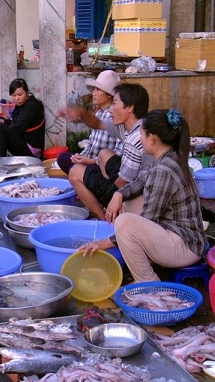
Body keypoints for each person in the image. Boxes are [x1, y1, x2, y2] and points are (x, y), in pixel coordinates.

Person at [78, 109, 207, 282]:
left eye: (141, 134)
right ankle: (145, 266)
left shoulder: (164, 170)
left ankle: (148, 284)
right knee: (127, 203)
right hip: (179, 237)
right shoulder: (167, 158)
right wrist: (118, 194)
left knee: (125, 222)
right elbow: (140, 182)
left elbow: (149, 218)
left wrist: (104, 243)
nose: (140, 139)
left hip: (186, 247)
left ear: (152, 138)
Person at [62, 83, 152, 220]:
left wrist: (98, 190)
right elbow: (97, 123)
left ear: (130, 107)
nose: (111, 110)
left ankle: (107, 219)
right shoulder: (132, 125)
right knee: (104, 153)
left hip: (137, 197)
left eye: (115, 104)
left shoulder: (136, 138)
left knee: (75, 172)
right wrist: (81, 112)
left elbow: (123, 183)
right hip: (133, 184)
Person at [57, 70, 122, 174]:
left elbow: (118, 154)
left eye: (98, 90)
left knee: (73, 167)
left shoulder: (115, 115)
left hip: (103, 167)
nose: (93, 94)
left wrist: (91, 161)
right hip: (89, 161)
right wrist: (81, 156)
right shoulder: (98, 113)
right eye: (93, 90)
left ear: (109, 95)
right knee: (63, 158)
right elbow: (91, 143)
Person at [0, 78, 45, 158]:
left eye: (20, 95)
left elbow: (17, 129)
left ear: (27, 92)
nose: (17, 98)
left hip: (31, 150)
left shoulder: (31, 107)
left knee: (0, 128)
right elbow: (16, 122)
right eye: (14, 95)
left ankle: (2, 159)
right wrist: (3, 121)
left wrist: (1, 129)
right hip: (24, 141)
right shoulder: (21, 104)